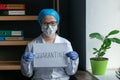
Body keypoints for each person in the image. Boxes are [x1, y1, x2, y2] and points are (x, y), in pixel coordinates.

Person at [21, 8, 79, 80]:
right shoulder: (32, 45)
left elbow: (70, 72)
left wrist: (74, 60)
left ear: (57, 23)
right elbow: (27, 74)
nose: (49, 26)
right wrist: (25, 61)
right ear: (40, 24)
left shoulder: (65, 43)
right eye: (45, 23)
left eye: (52, 23)